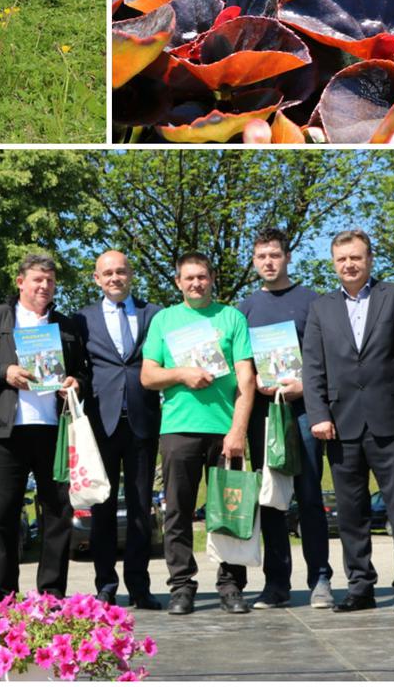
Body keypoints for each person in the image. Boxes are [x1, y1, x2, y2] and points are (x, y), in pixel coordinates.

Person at [302, 230, 394, 614]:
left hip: (391, 423)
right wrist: (319, 416)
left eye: (355, 257)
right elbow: (313, 368)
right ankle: (360, 585)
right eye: (341, 259)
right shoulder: (321, 309)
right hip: (341, 426)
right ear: (333, 264)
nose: (349, 265)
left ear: (369, 259)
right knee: (351, 513)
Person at [0, 253, 87, 601]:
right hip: (7, 431)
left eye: (49, 280)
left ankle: (51, 594)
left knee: (58, 514)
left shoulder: (66, 325)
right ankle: (4, 596)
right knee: (3, 515)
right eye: (37, 280)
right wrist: (5, 373)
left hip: (55, 432)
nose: (44, 286)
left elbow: (84, 372)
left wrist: (78, 382)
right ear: (20, 282)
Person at [140, 253, 257, 615]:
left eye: (202, 277)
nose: (196, 283)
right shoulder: (164, 320)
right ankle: (181, 586)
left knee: (231, 511)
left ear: (212, 279)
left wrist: (238, 430)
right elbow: (148, 376)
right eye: (189, 278)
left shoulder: (231, 317)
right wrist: (182, 374)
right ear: (178, 282)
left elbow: (247, 378)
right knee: (178, 511)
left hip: (225, 430)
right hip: (178, 429)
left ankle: (231, 585)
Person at [235, 230, 333, 610]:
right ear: (255, 260)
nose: (268, 262)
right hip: (263, 417)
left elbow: (325, 359)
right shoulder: (245, 309)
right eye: (261, 256)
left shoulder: (313, 302)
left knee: (309, 499)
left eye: (274, 255)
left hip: (304, 415)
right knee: (272, 501)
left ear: (287, 257)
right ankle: (276, 584)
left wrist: (304, 386)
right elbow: (239, 364)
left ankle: (319, 579)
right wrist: (254, 381)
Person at [81, 251, 162, 609]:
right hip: (101, 421)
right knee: (102, 506)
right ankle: (106, 585)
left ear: (131, 275)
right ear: (96, 279)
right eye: (107, 273)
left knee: (142, 507)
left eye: (121, 271)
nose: (115, 277)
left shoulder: (154, 315)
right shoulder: (81, 319)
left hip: (143, 421)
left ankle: (139, 585)